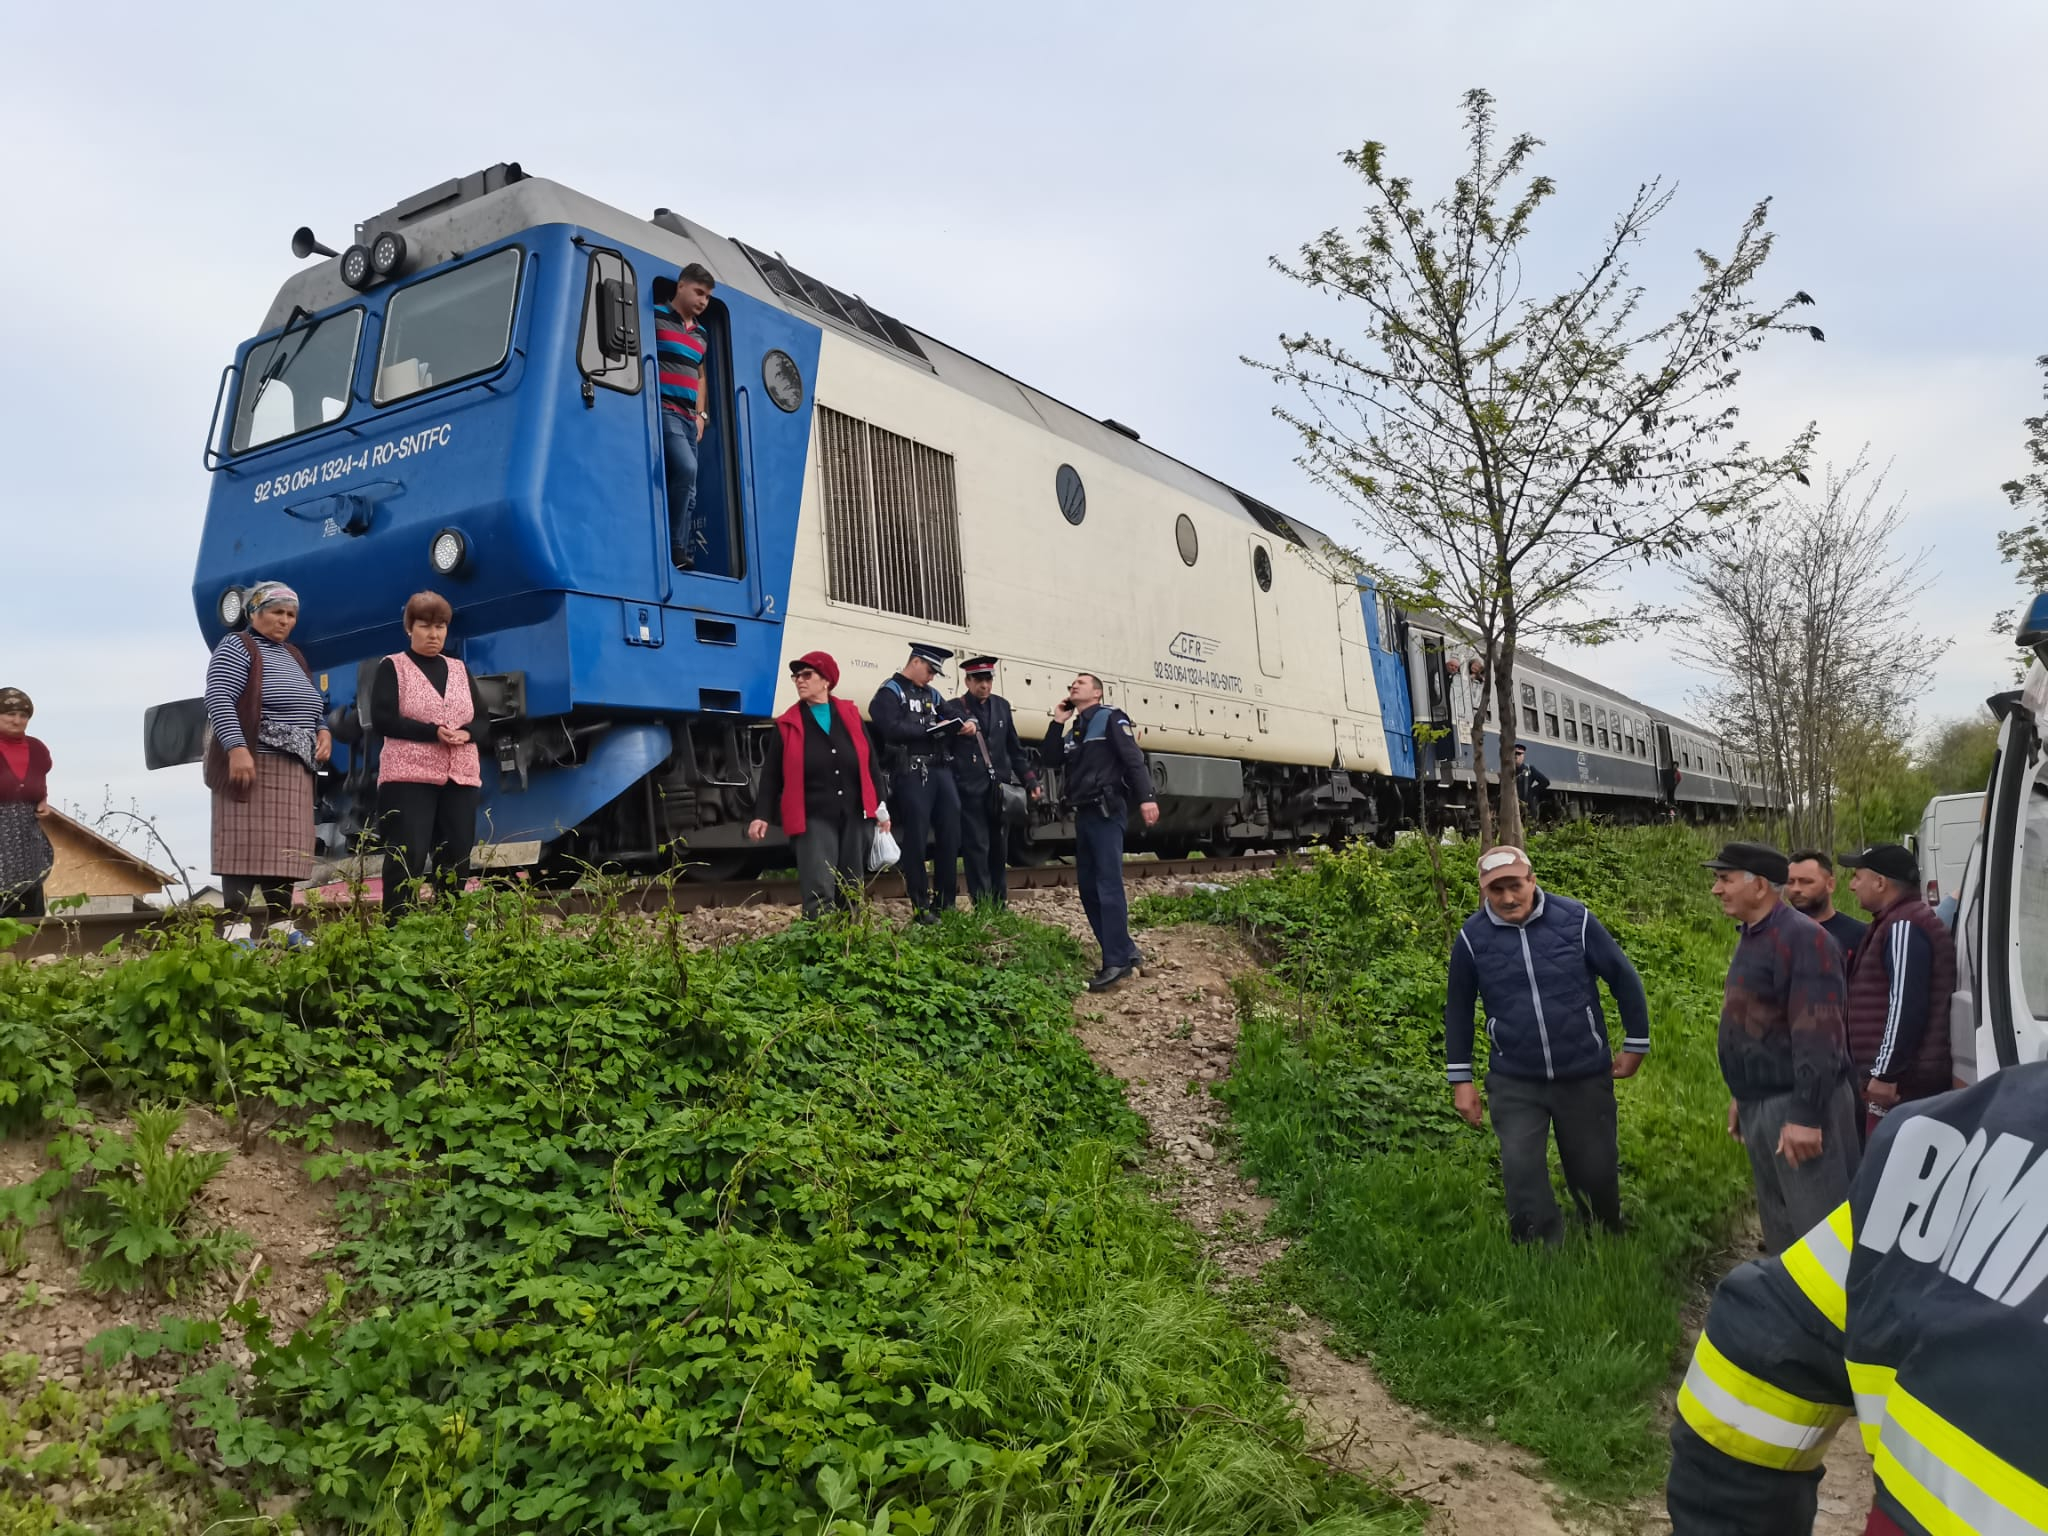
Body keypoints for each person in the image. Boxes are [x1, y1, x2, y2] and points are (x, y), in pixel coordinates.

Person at [1665, 1060, 2048, 1536]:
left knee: (1803, 1212)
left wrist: (1809, 1104)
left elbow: (1817, 1026)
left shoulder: (1962, 1136)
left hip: (1804, 1100)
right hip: (1775, 1095)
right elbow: (1765, 1341)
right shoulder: (1955, 1144)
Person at [1445, 845, 1652, 1244]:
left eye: (1515, 886)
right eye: (1496, 890)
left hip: (1583, 1073)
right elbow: (1458, 1008)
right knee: (1521, 1168)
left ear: (1532, 880)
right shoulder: (1472, 938)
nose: (1507, 898)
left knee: (1594, 1167)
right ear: (1484, 892)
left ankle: (1605, 1234)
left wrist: (1636, 1044)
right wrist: (1461, 1080)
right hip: (1515, 1079)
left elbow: (1623, 978)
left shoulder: (1575, 920)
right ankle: (1538, 1246)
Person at [1704, 842, 1860, 1255]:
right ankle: (1795, 1317)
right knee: (1782, 1228)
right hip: (1763, 1101)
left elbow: (1819, 1035)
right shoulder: (1754, 935)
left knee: (1821, 1236)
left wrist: (1806, 1115)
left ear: (1759, 887)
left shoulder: (1805, 939)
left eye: (1724, 879)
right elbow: (1754, 1022)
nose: (1716, 890)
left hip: (1800, 1106)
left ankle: (1838, 1320)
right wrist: (1743, 1093)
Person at [204, 582, 330, 938]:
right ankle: (235, 928)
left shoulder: (294, 655)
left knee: (285, 850)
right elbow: (219, 699)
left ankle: (280, 924)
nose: (285, 621)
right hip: (253, 761)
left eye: (291, 615)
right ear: (254, 613)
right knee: (243, 843)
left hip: (294, 768)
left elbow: (312, 708)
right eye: (277, 612)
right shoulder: (236, 646)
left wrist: (323, 731)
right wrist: (236, 748)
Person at [366, 591, 485, 916]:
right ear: (409, 628)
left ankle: (451, 925)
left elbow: (484, 720)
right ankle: (398, 928)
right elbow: (383, 719)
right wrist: (432, 731)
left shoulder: (460, 669)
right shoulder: (393, 666)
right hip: (407, 778)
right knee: (409, 854)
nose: (434, 634)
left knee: (457, 852)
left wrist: (468, 733)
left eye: (440, 626)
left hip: (460, 777)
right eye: (425, 626)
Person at [747, 652, 886, 918]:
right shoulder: (787, 724)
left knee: (851, 886)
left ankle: (849, 948)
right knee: (819, 887)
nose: (799, 680)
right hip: (812, 816)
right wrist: (761, 816)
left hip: (854, 814)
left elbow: (870, 764)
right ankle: (819, 950)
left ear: (826, 681)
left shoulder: (850, 715)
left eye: (806, 675)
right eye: (796, 676)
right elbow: (772, 775)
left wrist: (881, 808)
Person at [1044, 672, 1159, 991]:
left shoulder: (1111, 718)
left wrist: (1147, 798)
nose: (1074, 685)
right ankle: (1124, 951)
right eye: (1073, 683)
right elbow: (1050, 759)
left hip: (1107, 811)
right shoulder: (1074, 730)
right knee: (1089, 888)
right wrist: (1057, 722)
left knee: (1107, 884)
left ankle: (1116, 962)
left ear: (1096, 693)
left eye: (1081, 682)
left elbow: (1133, 759)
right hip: (1085, 814)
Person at [1839, 843, 1957, 1139]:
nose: (1852, 886)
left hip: (1902, 1086)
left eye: (1857, 877)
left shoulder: (1904, 924)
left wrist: (1886, 1073)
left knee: (1893, 1173)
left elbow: (1905, 1003)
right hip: (1901, 1083)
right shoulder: (1897, 921)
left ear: (1880, 882)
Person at [869, 643, 965, 925]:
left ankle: (946, 902)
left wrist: (964, 723)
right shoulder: (890, 691)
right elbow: (888, 726)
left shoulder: (933, 695)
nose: (933, 677)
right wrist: (927, 731)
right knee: (916, 838)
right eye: (930, 670)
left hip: (941, 770)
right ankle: (921, 905)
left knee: (950, 834)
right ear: (915, 662)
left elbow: (950, 714)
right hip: (912, 770)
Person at [948, 656, 1038, 909]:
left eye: (988, 680)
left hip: (999, 790)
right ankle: (983, 906)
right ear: (967, 681)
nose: (984, 685)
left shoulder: (1002, 706)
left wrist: (1030, 781)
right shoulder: (955, 707)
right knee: (976, 849)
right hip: (969, 789)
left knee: (999, 848)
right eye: (978, 680)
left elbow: (1014, 748)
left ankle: (1000, 905)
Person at [653, 265, 716, 570]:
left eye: (707, 296)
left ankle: (676, 549)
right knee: (687, 468)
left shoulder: (702, 334)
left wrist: (702, 414)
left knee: (689, 489)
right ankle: (674, 547)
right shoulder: (654, 316)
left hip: (689, 418)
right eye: (699, 292)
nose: (704, 301)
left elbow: (701, 376)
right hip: (664, 409)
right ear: (681, 287)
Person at [0, 688, 55, 920]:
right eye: (10, 714)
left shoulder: (37, 749)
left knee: (29, 893)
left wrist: (43, 802)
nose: (17, 720)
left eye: (23, 716)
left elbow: (38, 786)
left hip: (27, 836)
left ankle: (30, 951)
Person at [1783, 849, 1867, 960]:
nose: (1796, 889)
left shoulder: (1861, 936)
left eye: (1806, 881)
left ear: (1830, 885)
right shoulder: (1776, 933)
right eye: (1790, 882)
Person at [1513, 744, 1550, 822]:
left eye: (1519, 754)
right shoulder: (1509, 770)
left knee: (1530, 829)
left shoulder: (1529, 769)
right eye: (1515, 754)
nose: (1516, 756)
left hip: (1527, 806)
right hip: (1513, 807)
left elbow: (1545, 782)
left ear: (1523, 756)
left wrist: (1532, 792)